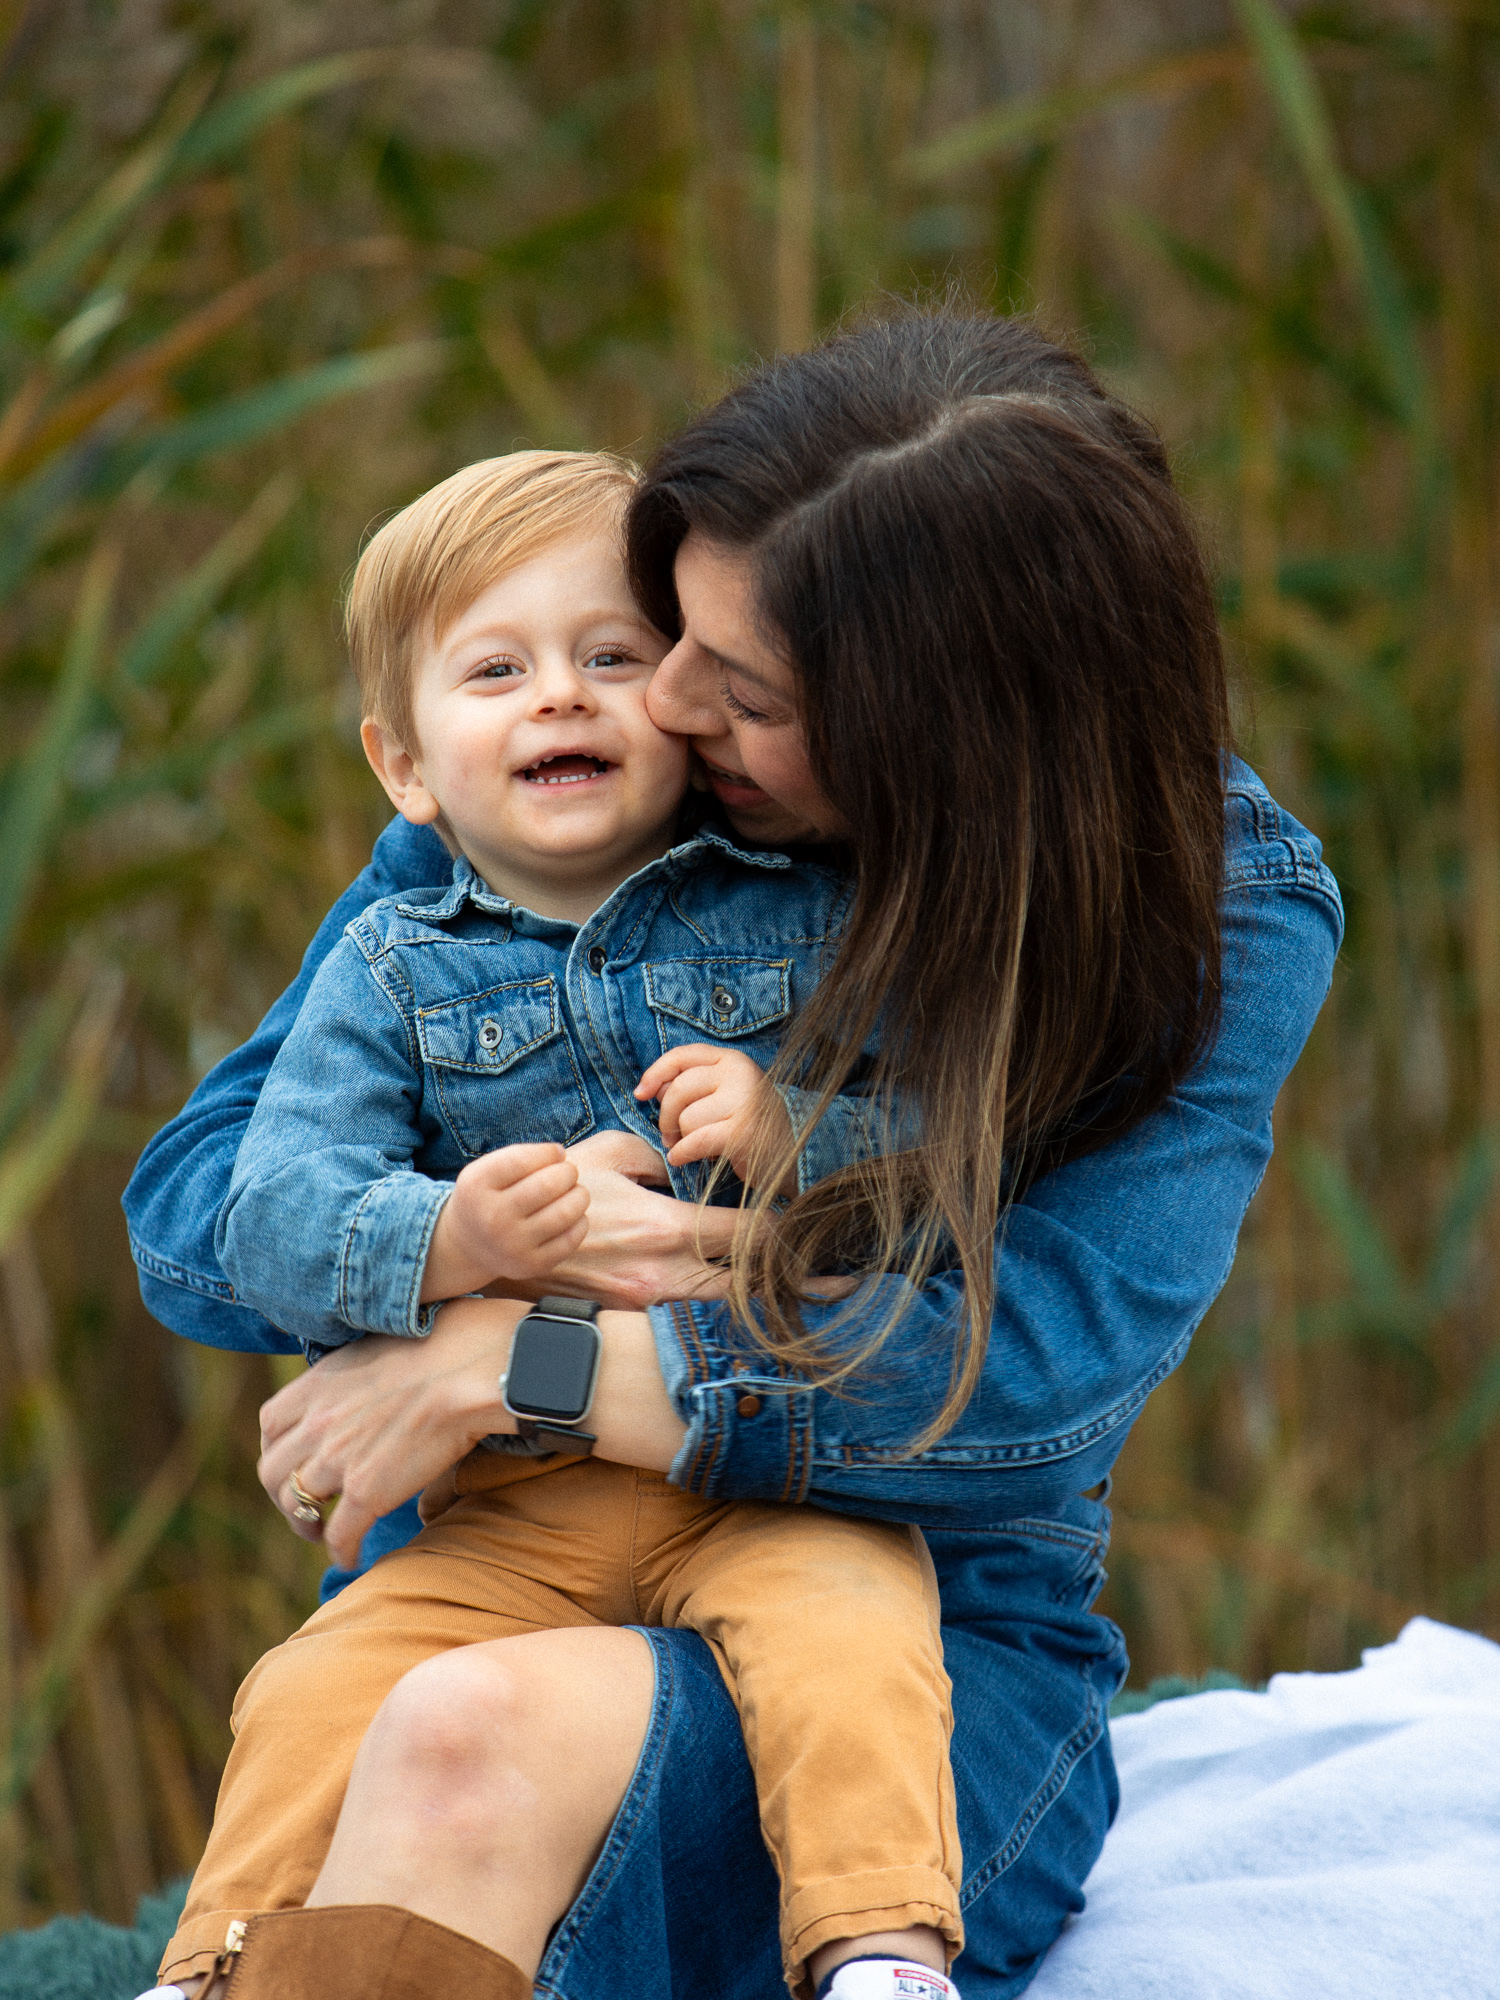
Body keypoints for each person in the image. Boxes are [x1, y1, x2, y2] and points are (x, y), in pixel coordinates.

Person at [124, 309, 1343, 2000]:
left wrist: (520, 1359)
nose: (665, 699)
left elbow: (1032, 1379)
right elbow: (200, 1206)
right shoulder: (601, 769)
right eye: (673, 634)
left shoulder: (1215, 905)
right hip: (509, 1553)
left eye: (746, 689)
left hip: (906, 1621)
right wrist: (473, 1239)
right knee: (394, 1712)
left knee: (469, 1738)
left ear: (934, 738)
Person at [158, 445, 967, 2000]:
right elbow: (266, 1211)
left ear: (686, 710)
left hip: (769, 1470)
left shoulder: (810, 915)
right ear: (406, 768)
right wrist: (451, 1238)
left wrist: (799, 1131)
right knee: (320, 1684)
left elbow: (962, 1154)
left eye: (610, 658)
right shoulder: (389, 968)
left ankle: (880, 1950)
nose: (561, 699)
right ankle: (210, 1967)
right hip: (513, 1507)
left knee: (856, 1637)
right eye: (499, 670)